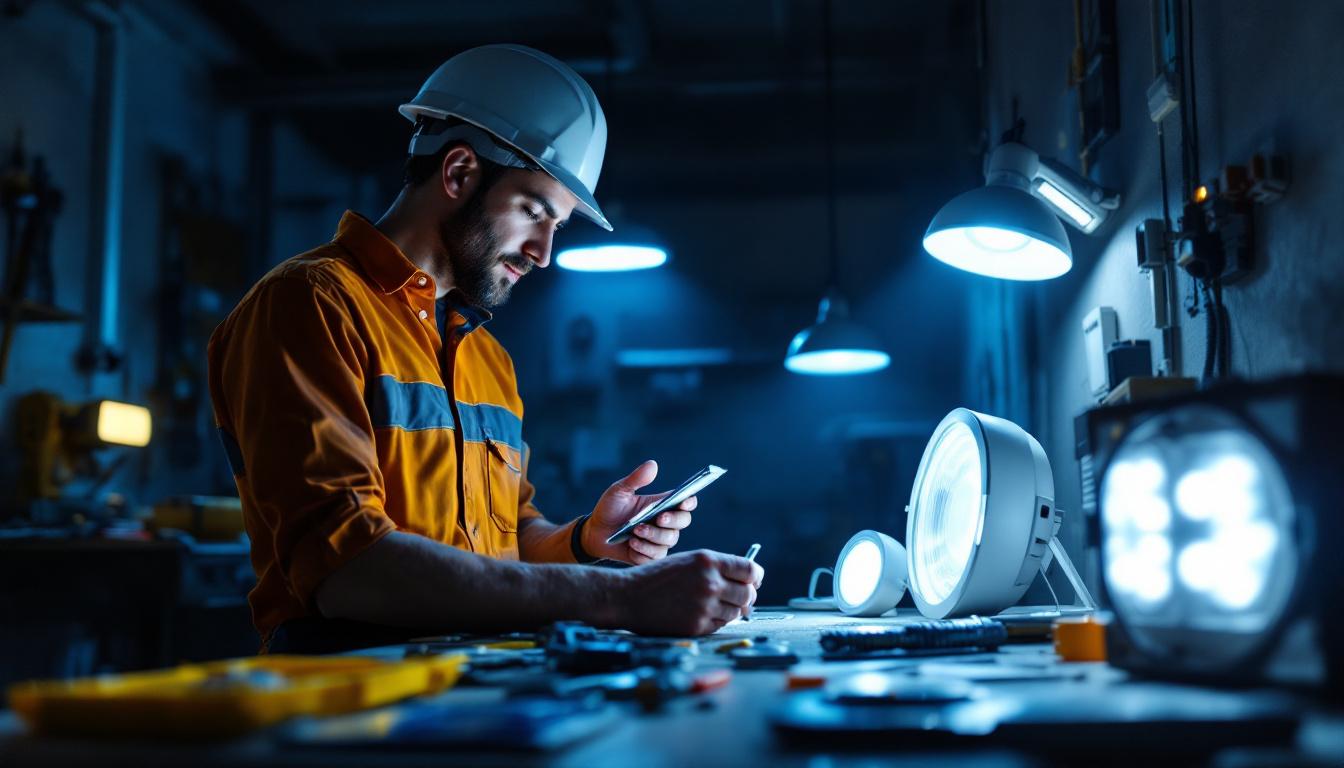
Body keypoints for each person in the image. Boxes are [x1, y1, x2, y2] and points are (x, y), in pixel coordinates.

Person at [207, 44, 763, 653]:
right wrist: (620, 597)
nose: (543, 253)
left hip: (476, 681)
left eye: (558, 227)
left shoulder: (485, 357)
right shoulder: (310, 304)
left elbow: (512, 540)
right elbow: (348, 569)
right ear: (459, 173)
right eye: (533, 211)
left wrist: (585, 541)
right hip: (351, 696)